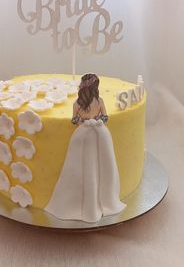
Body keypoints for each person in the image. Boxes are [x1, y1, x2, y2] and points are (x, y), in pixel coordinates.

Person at [45, 73, 126, 223]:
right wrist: (94, 121)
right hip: (91, 134)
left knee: (101, 162)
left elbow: (79, 119)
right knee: (83, 164)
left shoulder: (82, 103)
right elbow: (79, 119)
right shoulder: (91, 101)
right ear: (95, 87)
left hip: (94, 132)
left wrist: (90, 122)